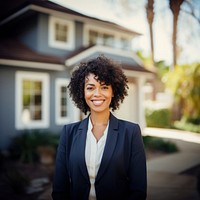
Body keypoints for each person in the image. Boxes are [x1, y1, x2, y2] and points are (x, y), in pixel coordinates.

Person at [52, 55, 147, 200]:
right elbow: (60, 188)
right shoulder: (68, 133)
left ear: (113, 91)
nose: (97, 94)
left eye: (104, 87)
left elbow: (138, 190)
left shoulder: (131, 132)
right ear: (83, 92)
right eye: (90, 88)